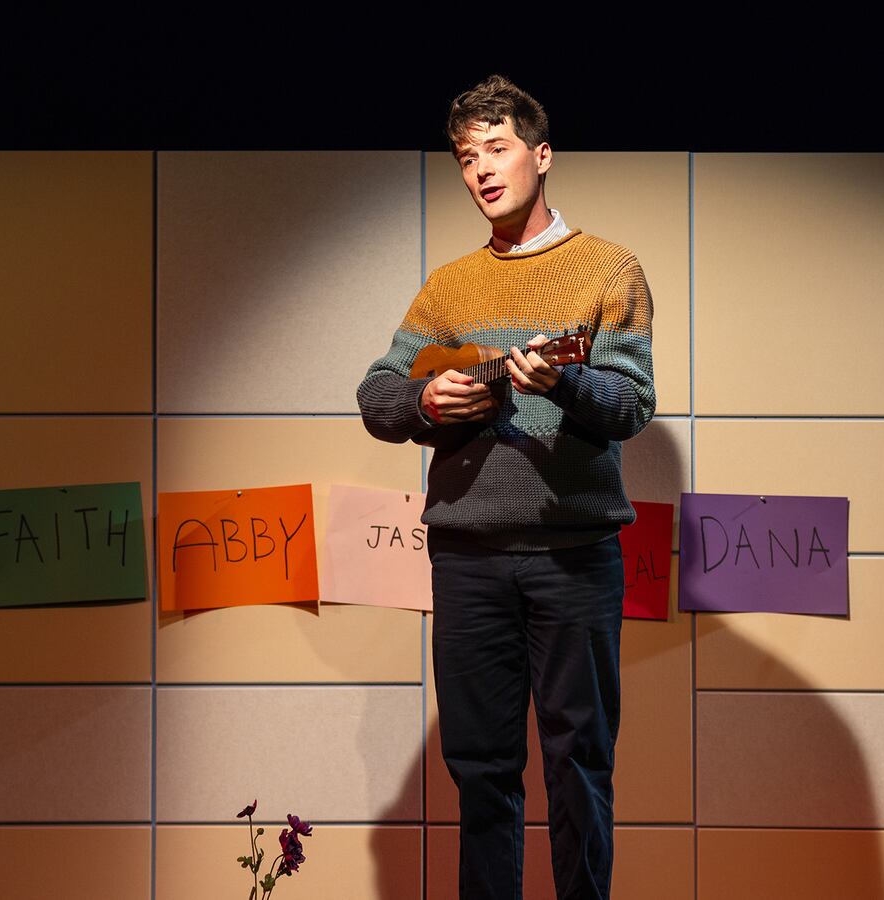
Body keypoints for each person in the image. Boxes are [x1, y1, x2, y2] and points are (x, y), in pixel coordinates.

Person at [356, 75, 655, 900]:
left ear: (541, 155)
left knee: (579, 766)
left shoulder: (609, 270)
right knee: (482, 771)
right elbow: (377, 396)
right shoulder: (448, 286)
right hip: (466, 561)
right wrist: (424, 399)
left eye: (496, 148)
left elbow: (630, 405)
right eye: (465, 157)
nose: (480, 170)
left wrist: (561, 385)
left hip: (574, 557)